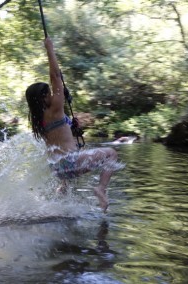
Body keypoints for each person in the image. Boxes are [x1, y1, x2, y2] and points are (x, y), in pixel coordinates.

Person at [25, 37, 120, 212]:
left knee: (67, 179)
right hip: (70, 163)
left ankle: (58, 204)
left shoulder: (39, 120)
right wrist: (49, 48)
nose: (54, 95)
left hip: (57, 168)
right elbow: (55, 76)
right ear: (44, 97)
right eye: (50, 93)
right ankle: (101, 189)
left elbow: (62, 140)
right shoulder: (55, 108)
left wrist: (71, 128)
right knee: (112, 154)